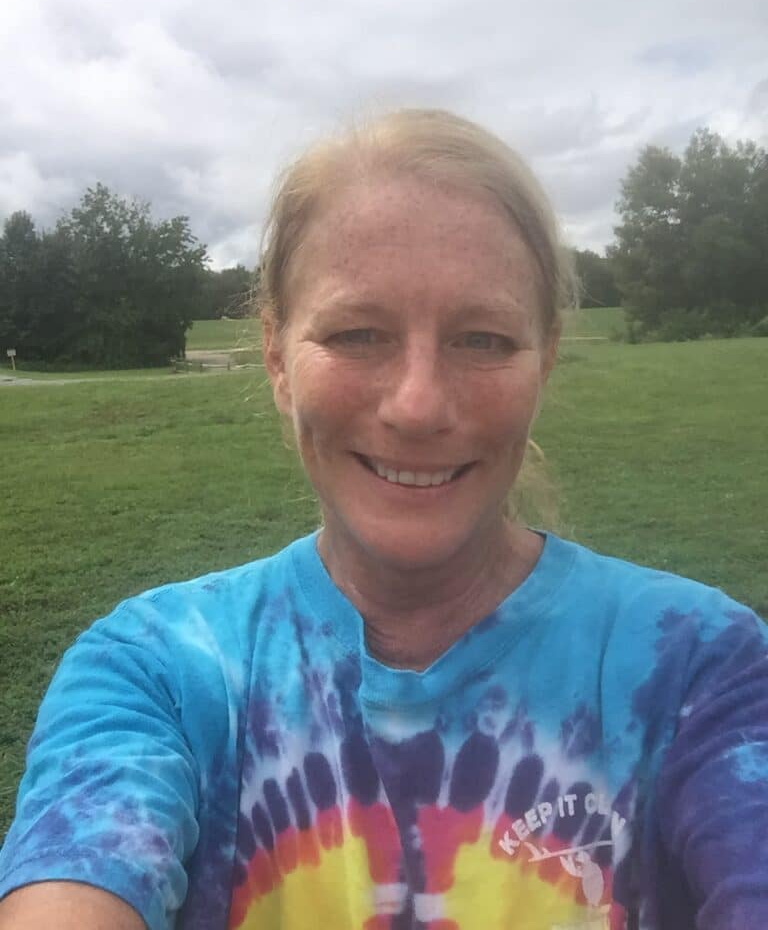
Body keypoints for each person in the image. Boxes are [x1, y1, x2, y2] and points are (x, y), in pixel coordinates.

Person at [0, 108, 766, 930]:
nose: (418, 404)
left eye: (482, 339)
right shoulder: (161, 676)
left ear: (544, 355)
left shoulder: (697, 671)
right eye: (358, 333)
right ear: (276, 358)